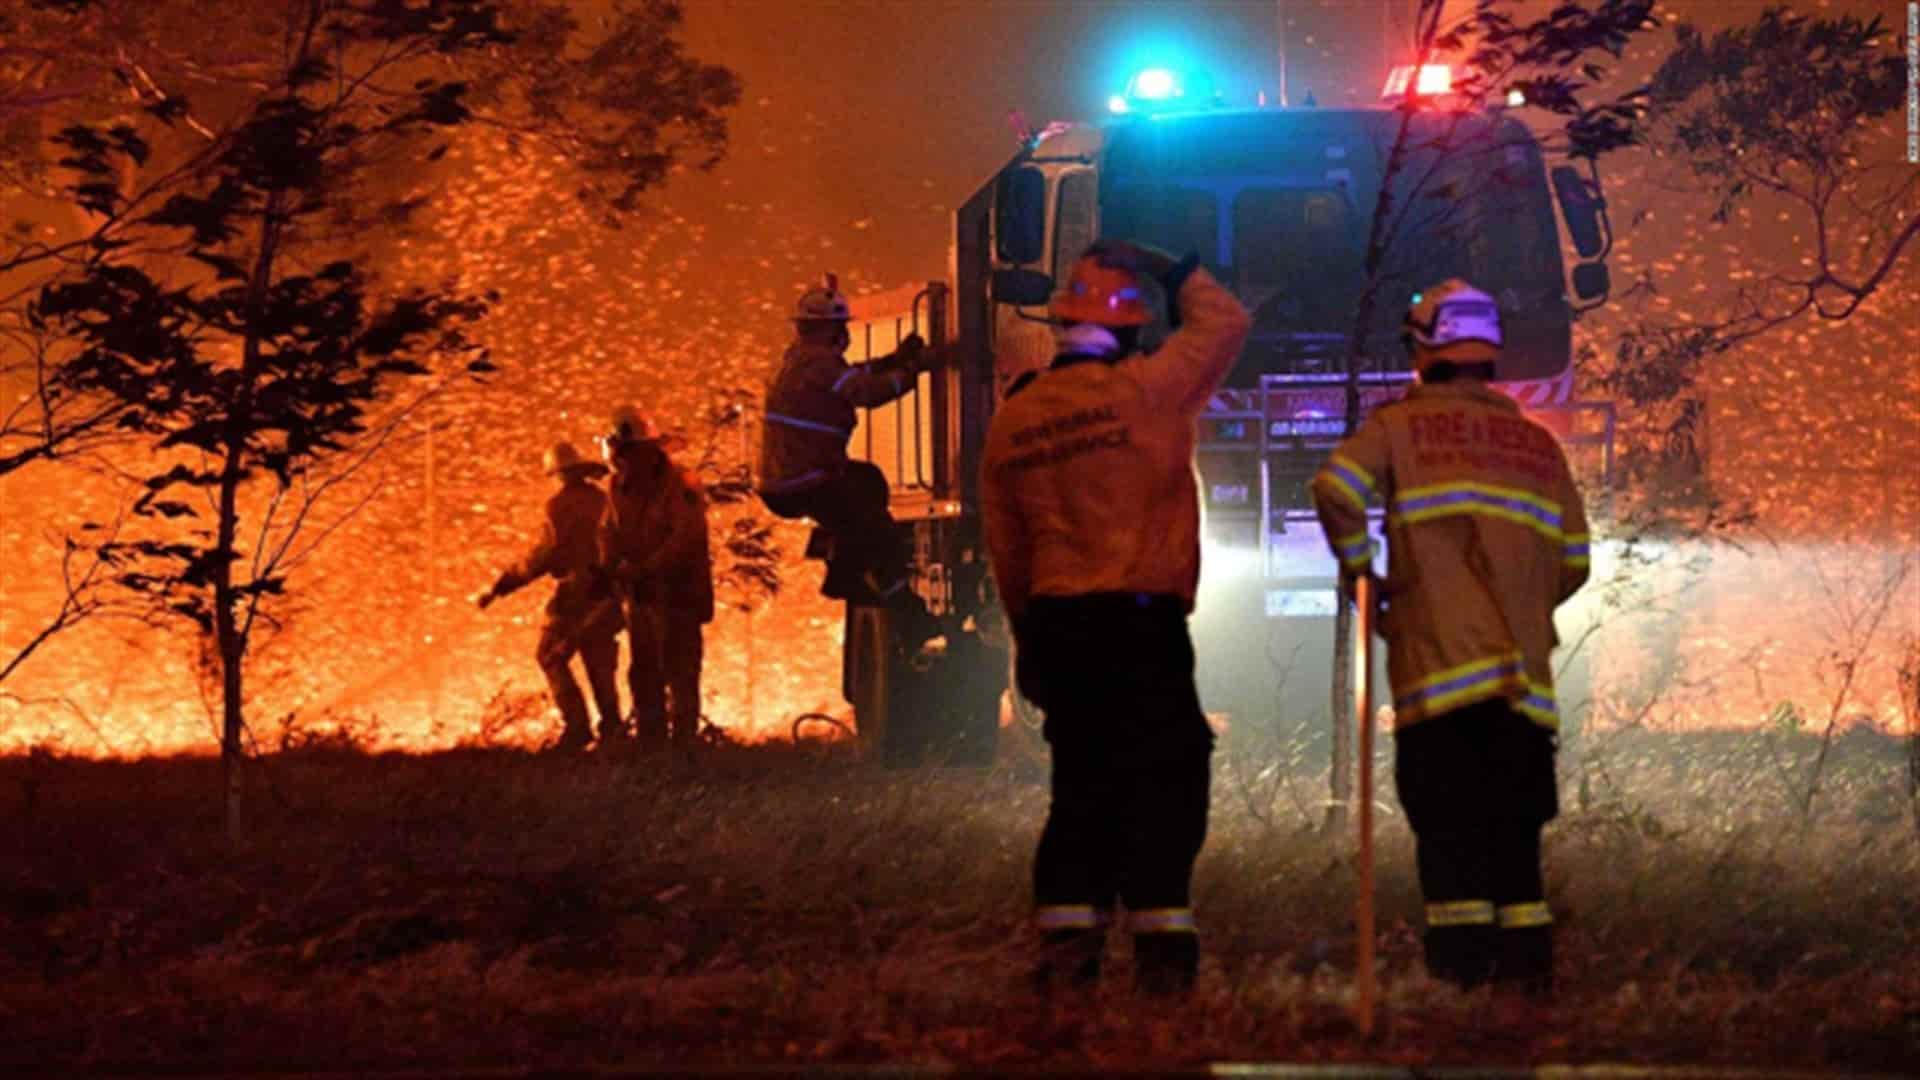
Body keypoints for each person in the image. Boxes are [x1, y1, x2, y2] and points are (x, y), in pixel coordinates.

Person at [980, 239, 1251, 995]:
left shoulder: (1016, 420)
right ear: (1132, 330)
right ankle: (1164, 956)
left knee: (1083, 788)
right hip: (1142, 623)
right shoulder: (1151, 390)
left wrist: (1028, 640)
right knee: (1168, 778)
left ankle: (1068, 960)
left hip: (1061, 625)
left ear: (1063, 324)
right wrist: (1171, 266)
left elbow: (1008, 548)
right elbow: (1225, 324)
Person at [1309, 279, 1591, 997]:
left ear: (1424, 348)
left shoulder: (1401, 427)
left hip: (1439, 685)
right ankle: (1528, 1000)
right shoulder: (1536, 446)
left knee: (1451, 848)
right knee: (1517, 860)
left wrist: (1361, 575)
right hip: (1524, 694)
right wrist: (1521, 605)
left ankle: (1463, 1000)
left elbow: (1337, 487)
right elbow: (1576, 562)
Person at [758, 272, 928, 604]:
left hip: (792, 479)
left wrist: (894, 359)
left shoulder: (800, 359)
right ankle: (891, 598)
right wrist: (912, 372)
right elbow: (865, 391)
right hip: (806, 480)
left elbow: (853, 375)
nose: (844, 333)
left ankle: (844, 568)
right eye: (839, 327)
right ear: (823, 329)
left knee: (868, 480)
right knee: (876, 527)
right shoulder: (816, 362)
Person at [475, 441, 624, 752]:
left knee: (551, 656)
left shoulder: (558, 506)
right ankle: (613, 733)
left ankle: (578, 728)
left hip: (575, 595)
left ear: (556, 474)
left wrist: (502, 585)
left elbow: (545, 555)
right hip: (608, 593)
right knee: (599, 665)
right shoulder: (604, 499)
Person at [599, 406, 714, 752]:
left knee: (680, 671)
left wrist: (644, 568)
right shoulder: (618, 487)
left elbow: (685, 537)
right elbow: (609, 530)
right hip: (642, 594)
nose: (622, 460)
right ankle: (651, 745)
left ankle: (684, 748)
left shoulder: (681, 485)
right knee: (644, 672)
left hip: (678, 593)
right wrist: (610, 567)